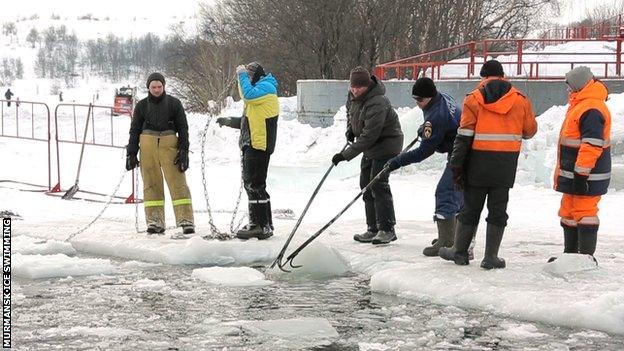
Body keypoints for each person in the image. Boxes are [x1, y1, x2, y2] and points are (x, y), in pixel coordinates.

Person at [439, 60, 537, 269]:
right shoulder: (520, 100)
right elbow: (529, 131)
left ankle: (459, 252)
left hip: (478, 163)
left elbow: (463, 136)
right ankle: (491, 257)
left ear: (483, 77)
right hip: (505, 164)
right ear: (502, 76)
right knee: (498, 210)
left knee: (470, 208)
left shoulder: (473, 99)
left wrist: (456, 165)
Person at [385, 77, 466, 256]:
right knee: (458, 193)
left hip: (463, 152)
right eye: (415, 100)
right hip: (464, 148)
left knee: (446, 192)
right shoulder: (441, 98)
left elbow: (424, 152)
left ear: (430, 96)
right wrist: (426, 130)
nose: (418, 104)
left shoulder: (435, 116)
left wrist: (396, 162)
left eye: (420, 100)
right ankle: (455, 238)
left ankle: (447, 241)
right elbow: (445, 125)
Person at [332, 66, 404, 245]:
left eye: (359, 87)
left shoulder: (378, 101)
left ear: (367, 86)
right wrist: (350, 130)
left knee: (378, 183)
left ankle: (387, 229)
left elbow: (369, 135)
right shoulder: (352, 96)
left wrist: (345, 155)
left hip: (387, 144)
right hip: (371, 147)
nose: (355, 90)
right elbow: (351, 115)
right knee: (365, 184)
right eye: (353, 87)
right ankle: (372, 227)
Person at [551, 66, 611, 262]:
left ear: (578, 85)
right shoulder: (580, 104)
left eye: (569, 86)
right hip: (575, 173)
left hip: (587, 174)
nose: (567, 90)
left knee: (585, 212)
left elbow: (592, 144)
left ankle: (585, 258)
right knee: (568, 211)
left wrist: (581, 174)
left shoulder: (592, 108)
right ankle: (570, 256)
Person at [125, 72, 195, 235]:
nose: (156, 90)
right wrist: (132, 152)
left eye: (159, 87)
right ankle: (155, 221)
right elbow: (134, 129)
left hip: (169, 144)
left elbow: (183, 127)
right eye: (153, 87)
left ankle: (186, 220)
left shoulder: (174, 103)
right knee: (151, 184)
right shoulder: (141, 106)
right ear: (148, 88)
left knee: (178, 183)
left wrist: (184, 149)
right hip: (147, 144)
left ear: (164, 86)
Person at [216, 62, 279, 240]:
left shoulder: (265, 88)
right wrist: (229, 121)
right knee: (257, 185)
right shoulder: (260, 92)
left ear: (256, 76)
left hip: (258, 145)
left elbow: (248, 96)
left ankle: (258, 225)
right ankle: (265, 223)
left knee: (254, 185)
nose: (247, 80)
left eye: (249, 76)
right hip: (253, 143)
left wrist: (241, 75)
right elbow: (249, 121)